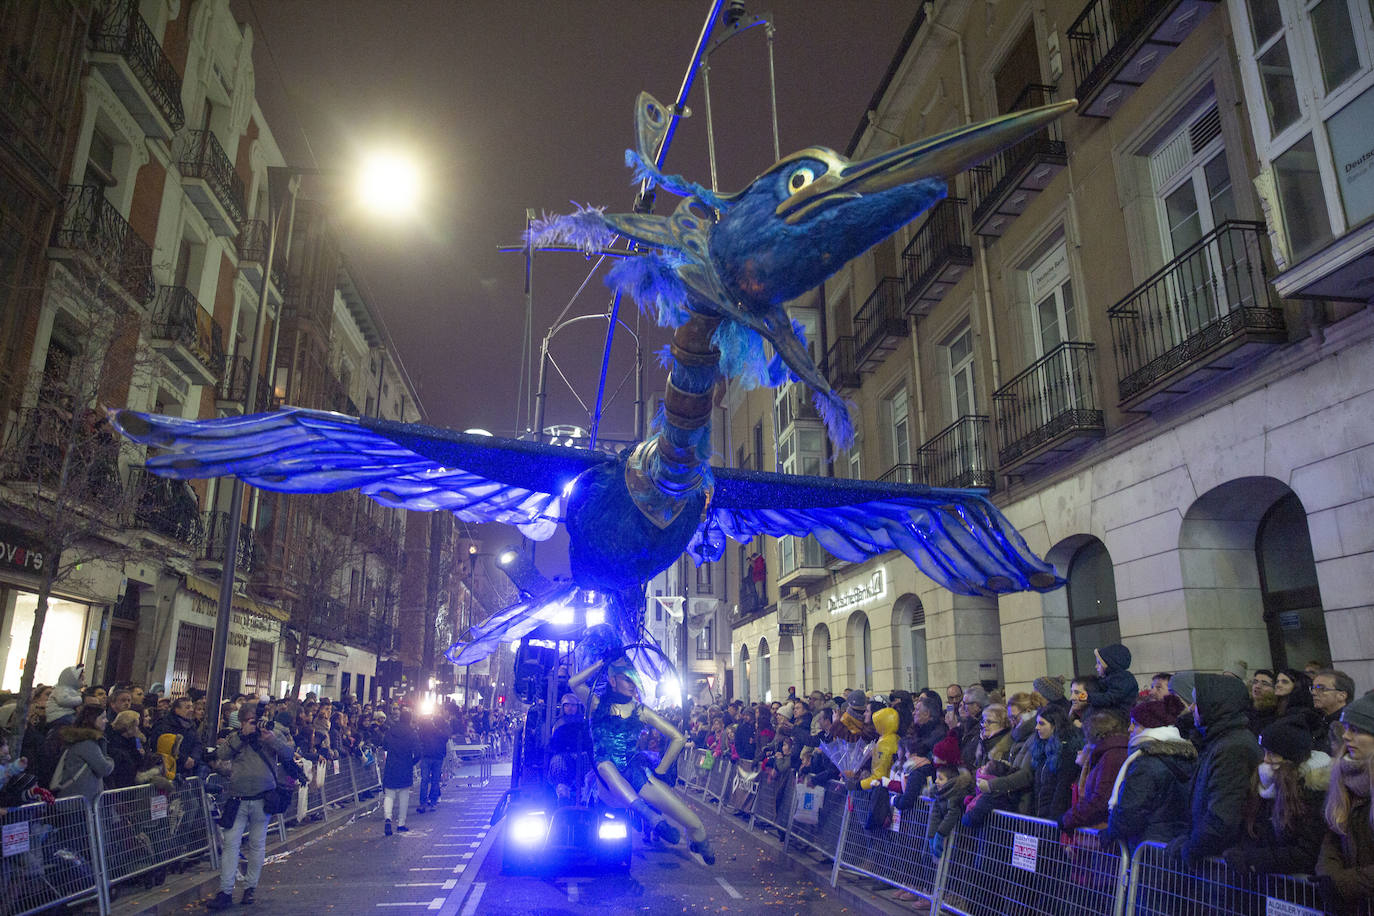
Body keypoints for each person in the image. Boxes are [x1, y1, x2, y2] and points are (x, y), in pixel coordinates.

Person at [571, 651, 714, 864]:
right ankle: (651, 818)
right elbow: (574, 683)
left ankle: (696, 840)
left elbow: (678, 738)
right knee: (606, 767)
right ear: (612, 681)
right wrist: (602, 661)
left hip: (634, 772)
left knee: (695, 823)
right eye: (627, 679)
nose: (632, 684)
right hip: (606, 777)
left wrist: (660, 772)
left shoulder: (641, 711)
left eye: (634, 680)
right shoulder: (597, 705)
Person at [1164, 673, 1261, 867]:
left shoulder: (1232, 748)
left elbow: (1223, 816)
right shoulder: (1220, 741)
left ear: (1216, 705)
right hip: (1212, 853)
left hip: (1220, 860)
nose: (1191, 708)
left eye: (1197, 702)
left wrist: (1192, 847)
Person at [207, 704, 296, 909]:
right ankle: (226, 892)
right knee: (231, 845)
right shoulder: (235, 737)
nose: (254, 724)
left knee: (257, 845)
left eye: (255, 719)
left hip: (262, 799)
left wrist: (270, 738)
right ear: (242, 720)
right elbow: (222, 754)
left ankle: (250, 888)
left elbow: (288, 753)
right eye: (249, 720)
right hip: (237, 799)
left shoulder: (271, 733)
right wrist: (242, 736)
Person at [1222, 717, 1332, 877]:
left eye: (1273, 754)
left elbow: (1306, 853)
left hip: (1294, 892)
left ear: (1291, 759)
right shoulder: (1265, 787)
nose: (1265, 760)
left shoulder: (1311, 793)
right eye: (1265, 752)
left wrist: (1253, 858)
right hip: (1266, 882)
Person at [1104, 696, 1195, 849]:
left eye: (1135, 724)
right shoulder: (1187, 757)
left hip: (1148, 846)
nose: (1129, 729)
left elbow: (1130, 811)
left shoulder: (1145, 763)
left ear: (1150, 727)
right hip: (1176, 841)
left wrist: (1111, 831)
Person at [1315, 693, 1374, 915]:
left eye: (1356, 730)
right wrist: (1329, 877)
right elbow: (1332, 839)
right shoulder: (1343, 779)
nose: (1346, 737)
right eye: (1346, 728)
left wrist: (1343, 884)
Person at [1060, 708, 1130, 832]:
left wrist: (1069, 819)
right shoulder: (1111, 752)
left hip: (1102, 828)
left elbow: (1100, 799)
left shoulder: (1112, 756)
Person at [51, 702, 114, 807]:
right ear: (92, 719)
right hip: (78, 802)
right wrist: (110, 760)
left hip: (77, 799)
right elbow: (104, 768)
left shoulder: (80, 740)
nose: (106, 721)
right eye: (102, 718)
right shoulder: (87, 743)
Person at [381, 709, 420, 835]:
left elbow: (384, 745)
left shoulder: (390, 731)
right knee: (404, 796)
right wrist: (411, 762)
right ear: (409, 719)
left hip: (391, 765)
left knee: (389, 794)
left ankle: (387, 818)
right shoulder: (412, 733)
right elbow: (418, 752)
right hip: (405, 766)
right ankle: (401, 823)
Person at [1311, 670, 1355, 756]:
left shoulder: (1350, 723)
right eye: (1313, 688)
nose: (1314, 693)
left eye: (1321, 688)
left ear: (1342, 696)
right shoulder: (1316, 719)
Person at [1086, 644, 1138, 715]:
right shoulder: (1110, 678)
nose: (1096, 666)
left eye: (1099, 663)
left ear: (1109, 664)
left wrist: (1089, 697)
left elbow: (1111, 698)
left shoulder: (1122, 679)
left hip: (1121, 716)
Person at [416, 710, 447, 814]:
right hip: (436, 757)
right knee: (434, 780)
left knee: (426, 780)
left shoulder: (425, 728)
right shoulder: (437, 728)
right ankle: (431, 802)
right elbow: (445, 737)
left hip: (428, 756)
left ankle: (424, 803)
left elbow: (420, 738)